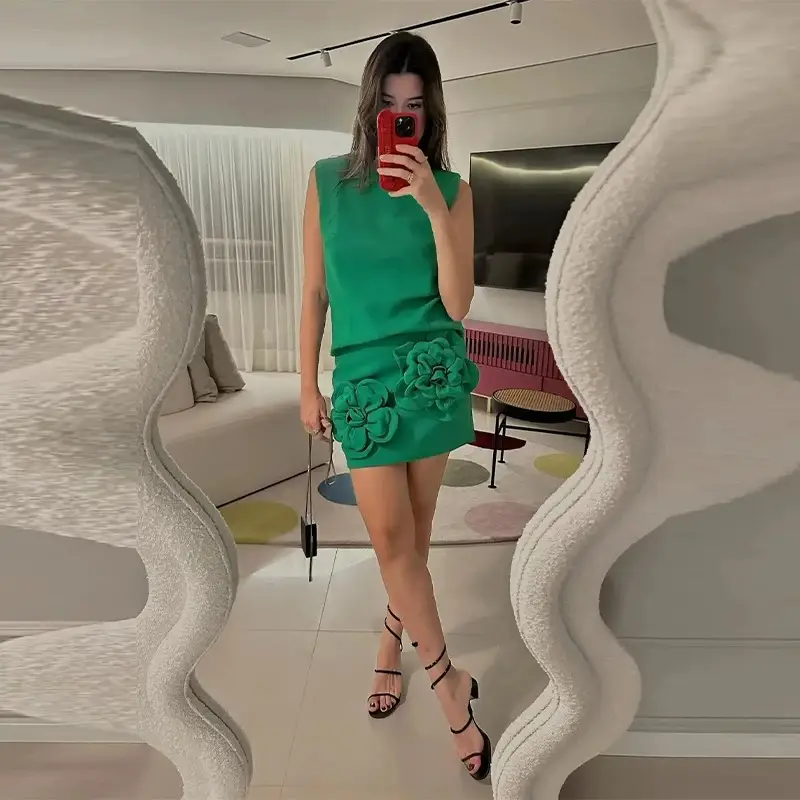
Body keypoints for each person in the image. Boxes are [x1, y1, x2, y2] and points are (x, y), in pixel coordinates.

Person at [298, 32, 490, 781]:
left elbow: (457, 303)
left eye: (415, 105)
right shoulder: (325, 182)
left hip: (431, 372)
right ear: (369, 106)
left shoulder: (454, 190)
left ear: (429, 112)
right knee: (389, 540)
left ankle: (390, 646)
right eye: (388, 102)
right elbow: (315, 291)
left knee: (415, 534)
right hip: (364, 380)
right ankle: (450, 689)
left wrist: (434, 208)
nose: (401, 116)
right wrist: (306, 383)